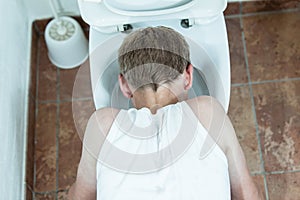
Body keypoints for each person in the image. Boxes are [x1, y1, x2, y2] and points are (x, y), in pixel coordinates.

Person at [68, 26, 263, 200]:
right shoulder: (208, 113)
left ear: (124, 86)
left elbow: (82, 195)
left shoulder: (102, 125)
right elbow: (247, 193)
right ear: (188, 77)